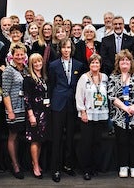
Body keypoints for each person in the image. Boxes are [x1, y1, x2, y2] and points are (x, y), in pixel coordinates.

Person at [48, 38, 85, 182]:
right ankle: (55, 169)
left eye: (69, 47)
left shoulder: (79, 64)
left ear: (72, 49)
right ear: (60, 49)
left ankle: (68, 166)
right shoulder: (53, 65)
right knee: (57, 138)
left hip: (73, 104)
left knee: (70, 137)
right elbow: (51, 85)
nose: (66, 50)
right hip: (58, 104)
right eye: (64, 48)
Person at [107, 50, 134, 178]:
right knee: (122, 142)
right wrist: (125, 108)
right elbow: (111, 96)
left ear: (131, 62)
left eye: (127, 60)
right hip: (119, 116)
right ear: (118, 63)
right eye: (122, 60)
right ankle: (123, 166)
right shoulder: (113, 77)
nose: (124, 62)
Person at [75, 54, 109, 180]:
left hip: (101, 115)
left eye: (97, 63)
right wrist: (82, 111)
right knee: (86, 143)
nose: (95, 65)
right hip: (87, 115)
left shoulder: (104, 77)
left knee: (97, 143)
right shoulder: (84, 78)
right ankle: (86, 169)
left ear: (100, 65)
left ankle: (94, 167)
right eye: (92, 63)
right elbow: (79, 96)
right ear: (89, 65)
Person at [1, 42, 29, 179]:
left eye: (21, 54)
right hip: (14, 109)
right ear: (12, 56)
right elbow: (5, 92)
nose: (19, 56)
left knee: (21, 137)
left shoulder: (26, 69)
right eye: (17, 54)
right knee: (13, 136)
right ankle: (15, 165)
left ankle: (22, 162)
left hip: (25, 109)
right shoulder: (8, 70)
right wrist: (10, 111)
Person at [23, 53, 51, 179]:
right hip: (34, 113)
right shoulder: (28, 78)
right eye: (35, 62)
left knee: (40, 140)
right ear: (31, 64)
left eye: (40, 61)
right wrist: (31, 115)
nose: (38, 64)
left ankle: (37, 162)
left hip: (44, 113)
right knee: (34, 140)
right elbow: (27, 98)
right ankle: (35, 165)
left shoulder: (44, 77)